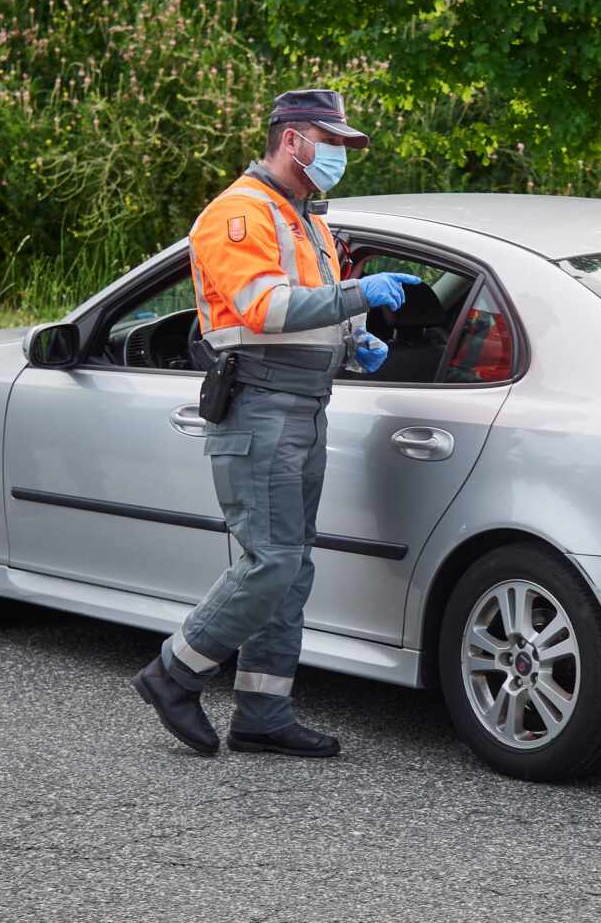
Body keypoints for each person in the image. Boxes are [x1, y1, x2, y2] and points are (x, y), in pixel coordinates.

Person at [132, 88, 421, 759]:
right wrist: (359, 295)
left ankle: (263, 711)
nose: (341, 156)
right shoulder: (239, 213)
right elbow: (264, 307)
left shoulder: (306, 219)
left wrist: (355, 342)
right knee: (272, 562)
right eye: (333, 142)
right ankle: (173, 673)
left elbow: (311, 310)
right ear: (293, 139)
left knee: (292, 569)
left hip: (303, 403)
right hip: (259, 404)